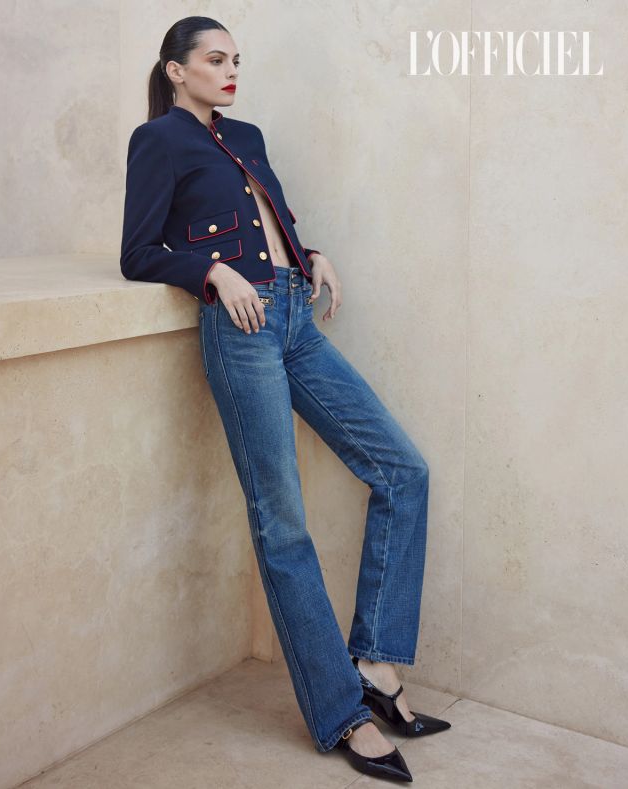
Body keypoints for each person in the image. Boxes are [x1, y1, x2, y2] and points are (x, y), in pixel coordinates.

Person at [120, 15, 450, 782]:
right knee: (283, 521)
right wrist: (211, 271)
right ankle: (341, 713)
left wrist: (312, 253)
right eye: (214, 59)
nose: (230, 70)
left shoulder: (248, 135)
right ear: (176, 71)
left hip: (295, 314)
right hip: (240, 329)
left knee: (402, 470)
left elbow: (268, 222)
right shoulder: (159, 141)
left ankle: (376, 664)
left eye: (235, 59)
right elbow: (139, 251)